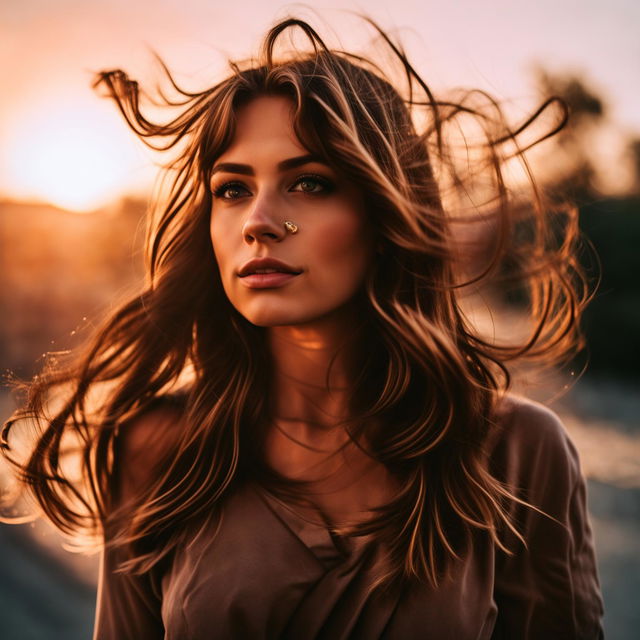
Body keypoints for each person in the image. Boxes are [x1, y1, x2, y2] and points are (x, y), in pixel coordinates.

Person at [1, 16, 603, 639]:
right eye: (232, 190)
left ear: (385, 210)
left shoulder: (514, 451)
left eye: (309, 184)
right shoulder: (160, 446)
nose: (260, 222)